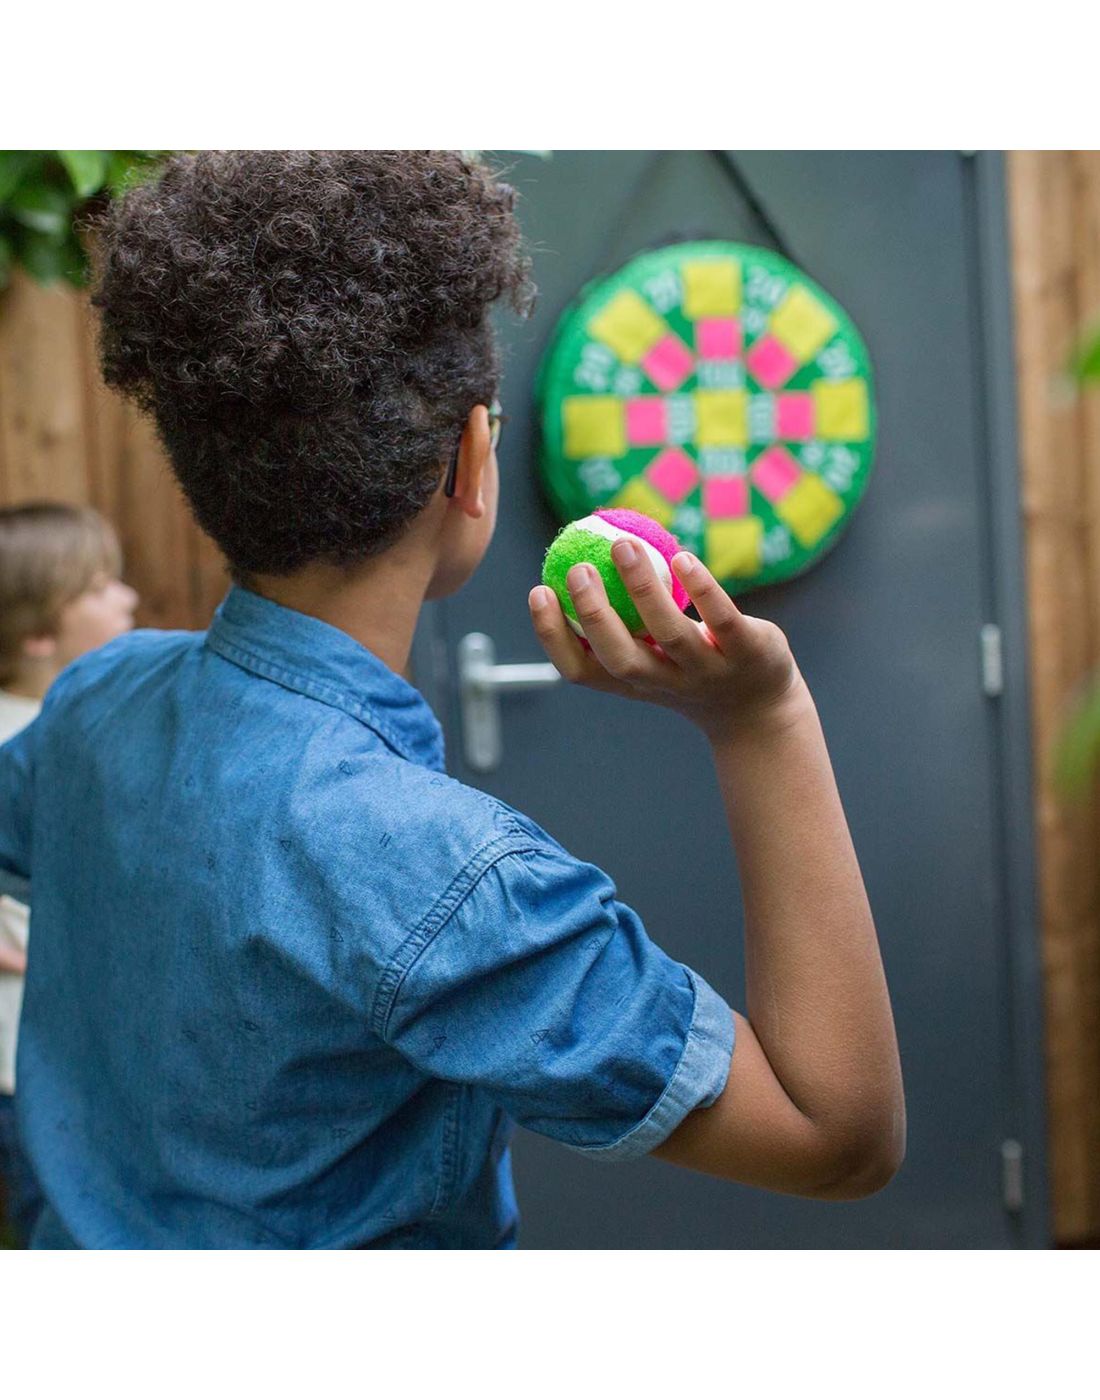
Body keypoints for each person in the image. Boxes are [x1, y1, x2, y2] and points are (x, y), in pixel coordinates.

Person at [0, 151, 904, 1249]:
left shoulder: (95, 700)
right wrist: (761, 718)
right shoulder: (443, 875)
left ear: (197, 465)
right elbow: (837, 1133)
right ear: (471, 461)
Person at [0, 503, 137, 1245]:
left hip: (109, 1058)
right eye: (98, 586)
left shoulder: (105, 719)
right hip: (26, 1073)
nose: (128, 598)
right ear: (38, 632)